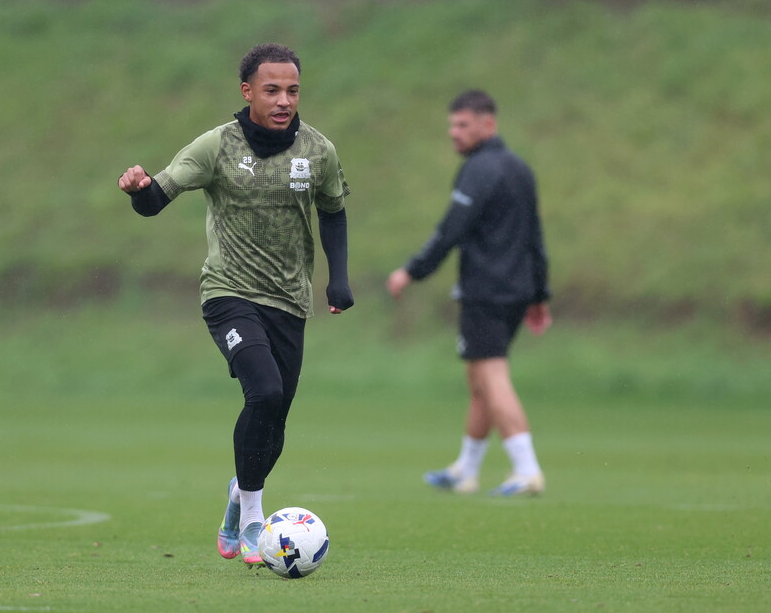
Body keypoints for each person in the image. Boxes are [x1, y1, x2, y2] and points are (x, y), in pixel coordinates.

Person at [118, 44, 353, 564]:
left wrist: (338, 280)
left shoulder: (318, 151)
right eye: (272, 90)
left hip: (290, 301)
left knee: (276, 423)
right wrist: (137, 189)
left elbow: (333, 212)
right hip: (229, 294)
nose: (284, 100)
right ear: (247, 91)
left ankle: (237, 493)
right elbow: (156, 198)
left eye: (292, 90)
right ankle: (253, 518)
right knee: (263, 391)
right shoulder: (215, 148)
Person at [386, 89, 551, 497]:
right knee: (479, 380)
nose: (453, 133)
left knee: (492, 377)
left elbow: (449, 231)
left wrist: (412, 270)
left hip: (485, 291)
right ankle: (466, 470)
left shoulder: (479, 170)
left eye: (462, 125)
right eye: (451, 125)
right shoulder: (519, 168)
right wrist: (539, 294)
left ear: (488, 124)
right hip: (516, 291)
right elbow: (535, 237)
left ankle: (527, 471)